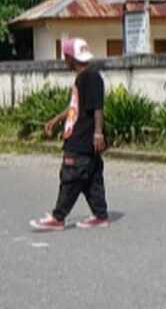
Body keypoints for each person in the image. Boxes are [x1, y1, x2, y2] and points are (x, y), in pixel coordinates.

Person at [30, 38, 109, 231]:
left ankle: (58, 217)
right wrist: (57, 119)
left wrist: (98, 133)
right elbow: (76, 106)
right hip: (85, 138)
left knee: (71, 176)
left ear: (69, 57)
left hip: (82, 138)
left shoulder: (89, 77)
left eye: (65, 57)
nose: (64, 61)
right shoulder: (84, 77)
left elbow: (97, 107)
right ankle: (100, 216)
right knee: (91, 177)